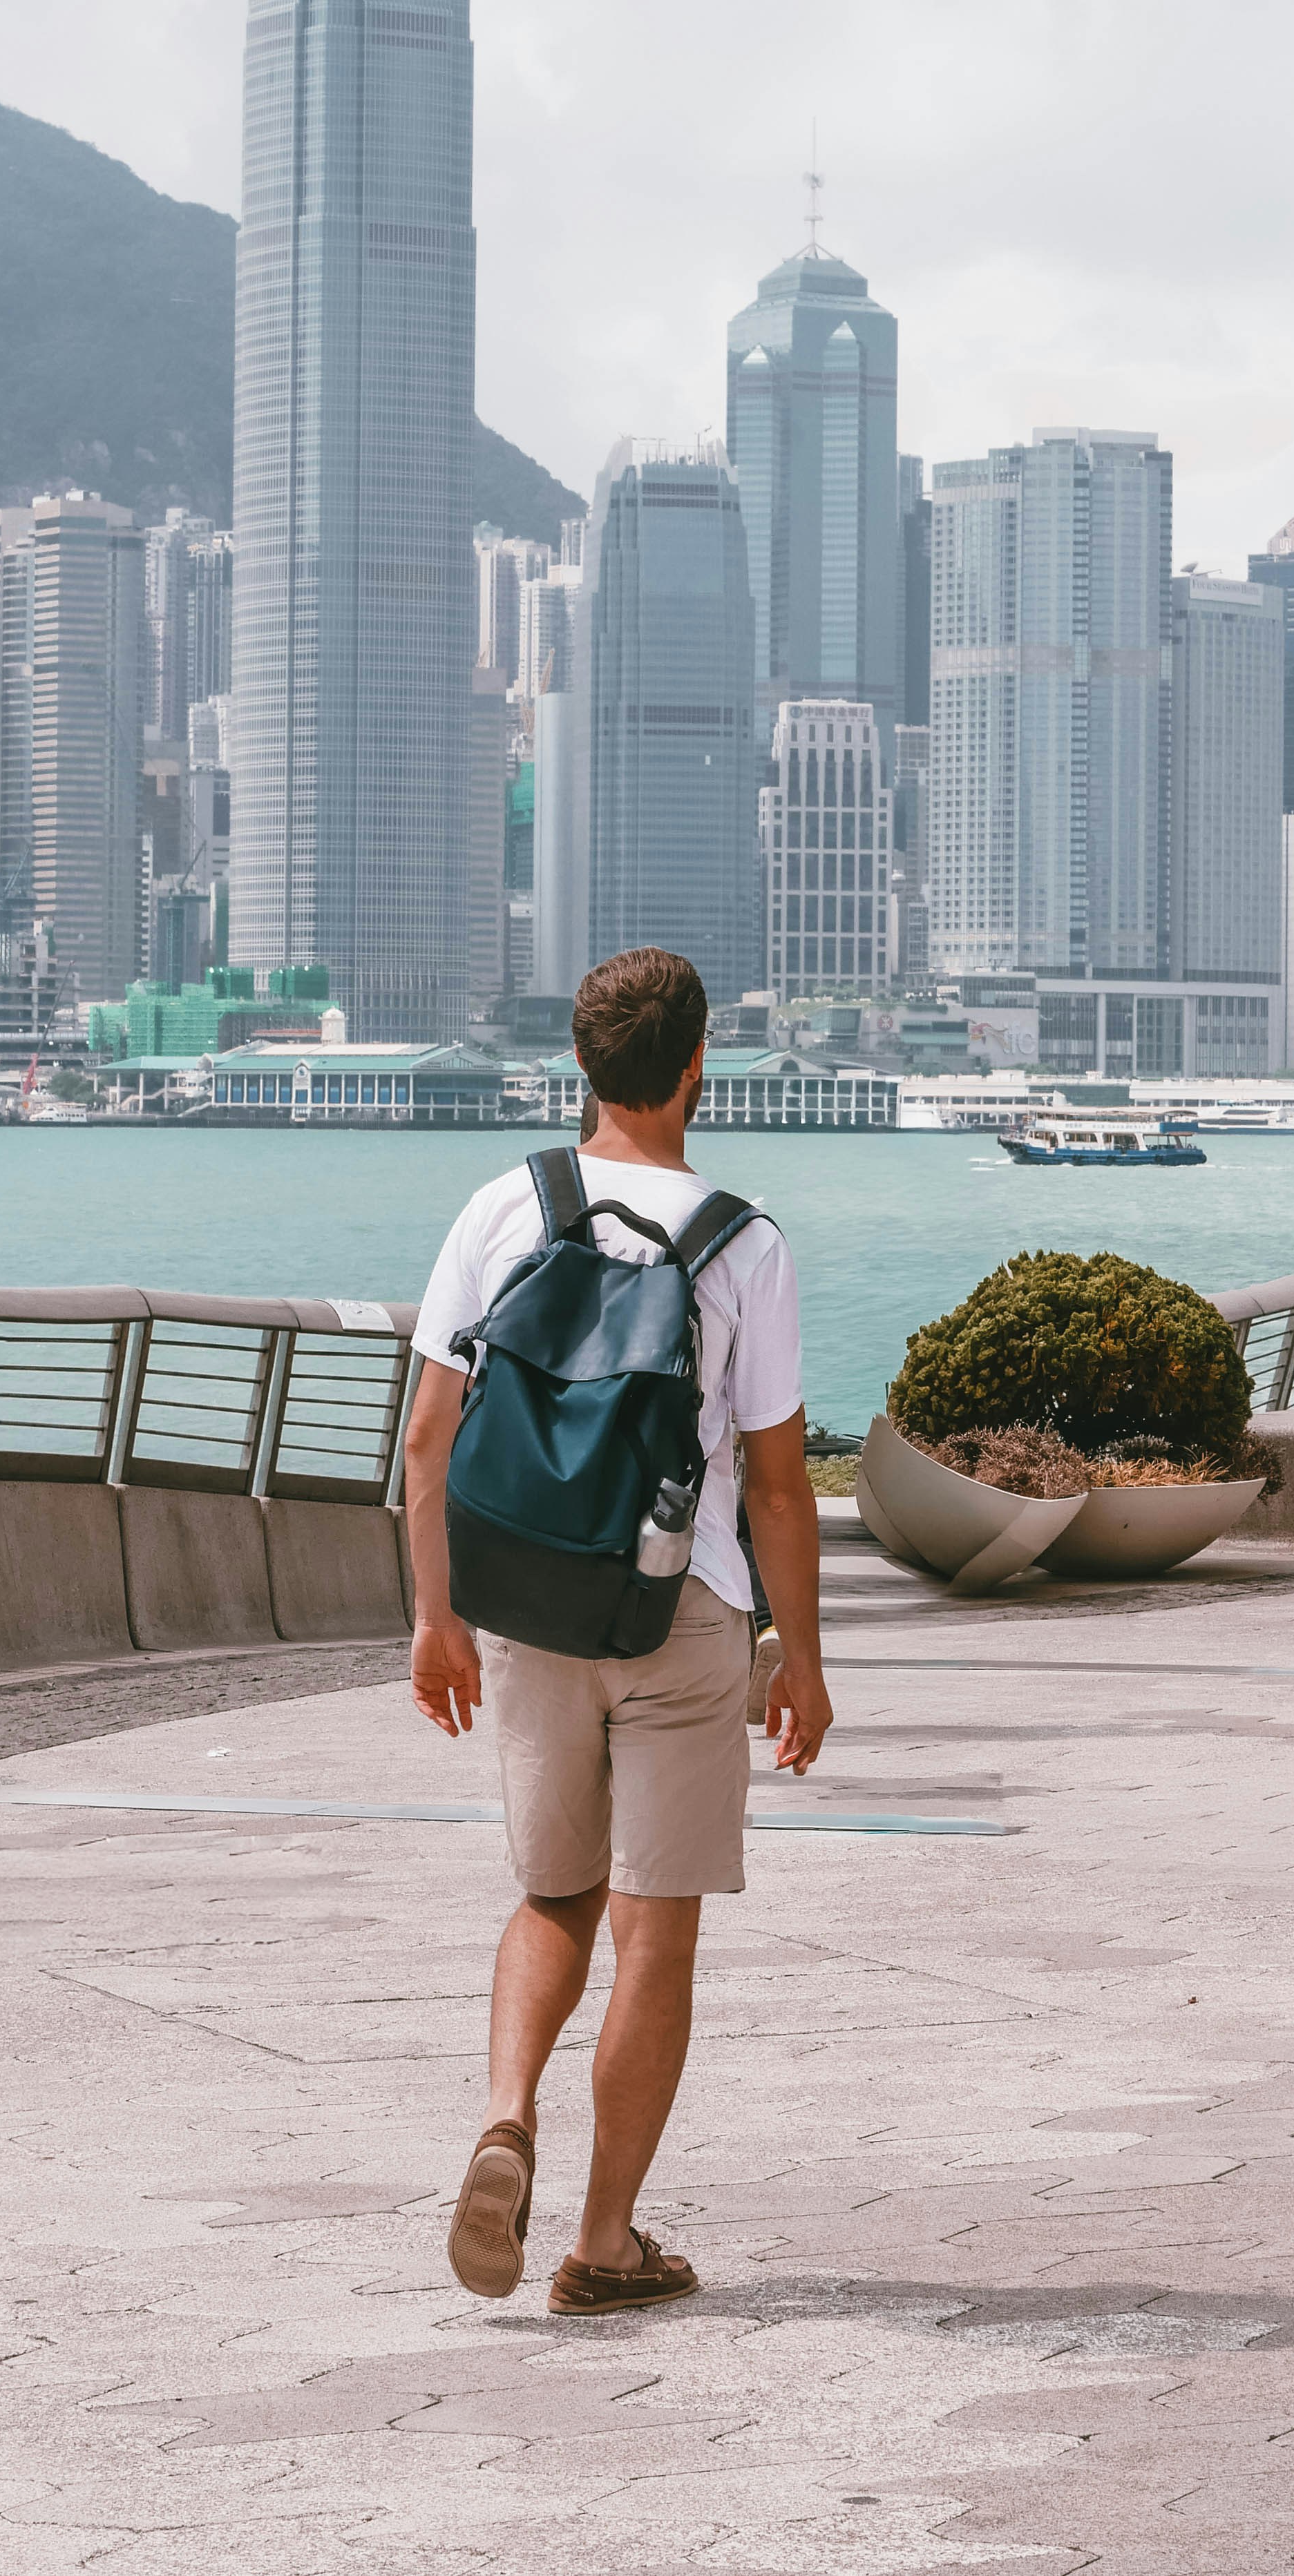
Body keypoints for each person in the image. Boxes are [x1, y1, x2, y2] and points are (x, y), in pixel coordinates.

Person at [405, 945, 832, 2315]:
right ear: (700, 1063)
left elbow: (427, 1439)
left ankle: (504, 2114)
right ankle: (600, 2243)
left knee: (551, 1897)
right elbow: (775, 1482)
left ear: (579, 1065)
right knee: (657, 1930)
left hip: (529, 1602)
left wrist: (439, 1621)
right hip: (681, 1608)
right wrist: (803, 1658)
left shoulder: (504, 1209)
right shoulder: (741, 1243)